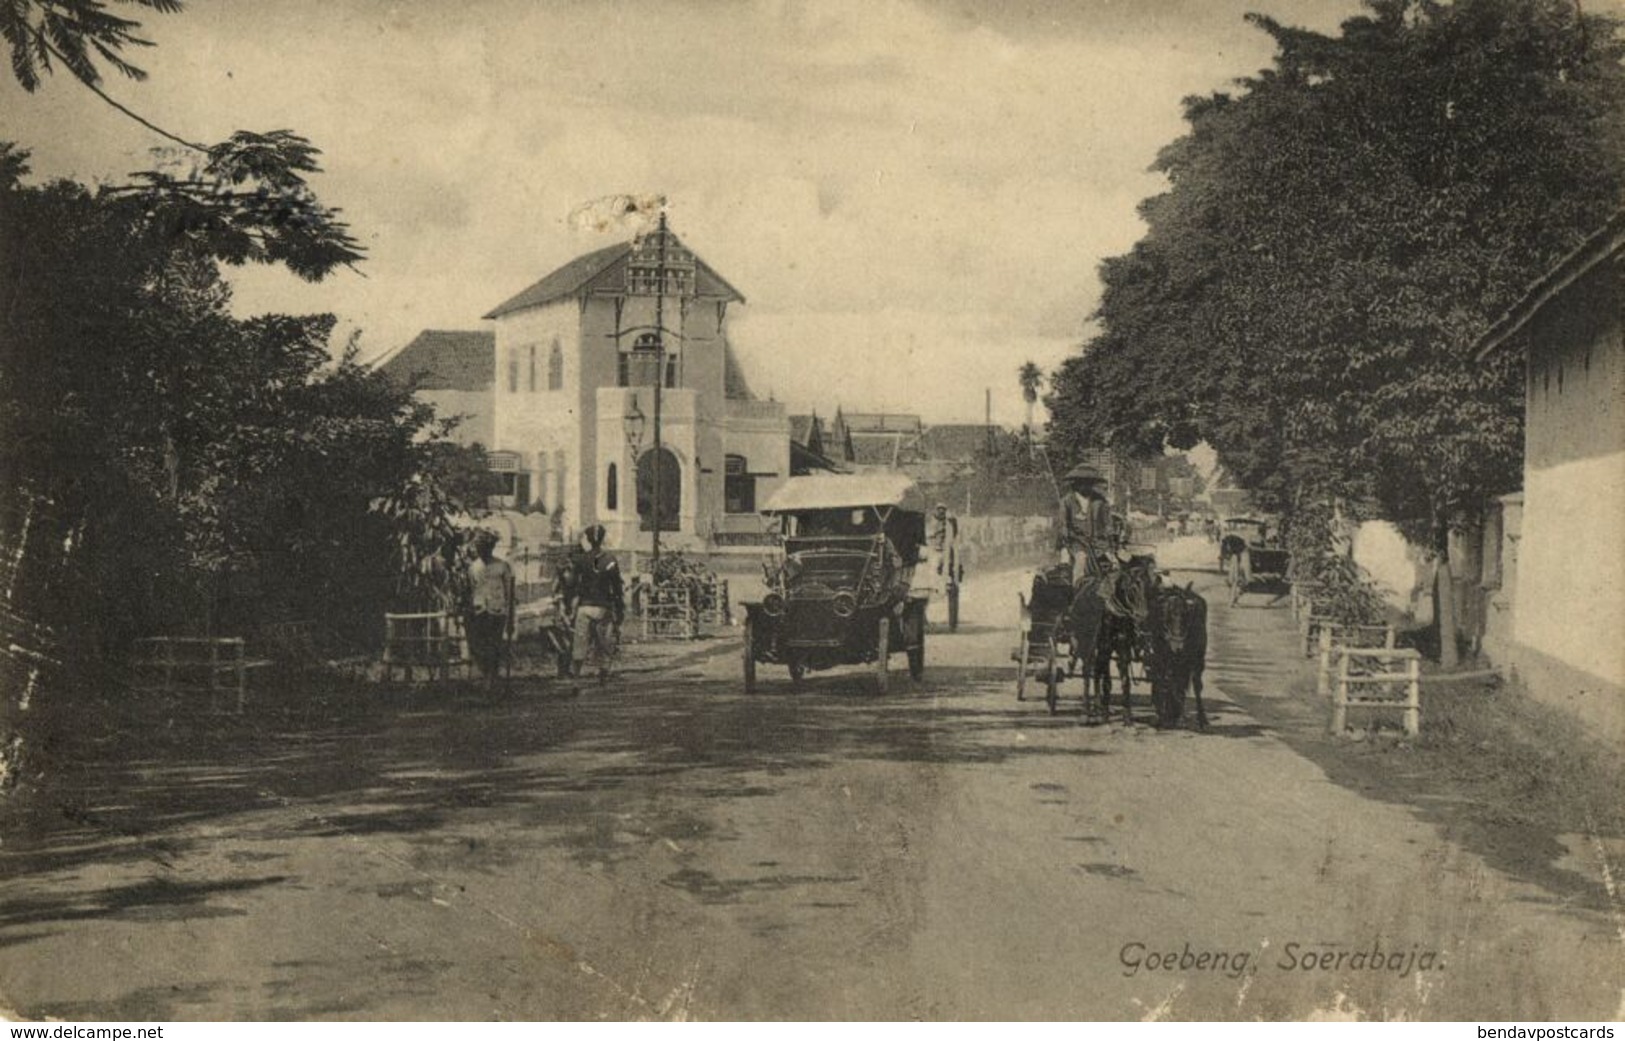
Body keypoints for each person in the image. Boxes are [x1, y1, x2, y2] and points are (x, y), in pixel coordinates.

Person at [559, 524, 626, 680]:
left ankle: (576, 678)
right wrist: (620, 607)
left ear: (588, 539)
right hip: (603, 607)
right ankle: (603, 672)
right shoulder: (610, 560)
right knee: (604, 641)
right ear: (602, 539)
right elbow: (617, 586)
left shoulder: (580, 560)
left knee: (580, 643)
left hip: (584, 606)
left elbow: (572, 584)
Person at [465, 529, 515, 687]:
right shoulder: (473, 567)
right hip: (479, 611)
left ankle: (492, 678)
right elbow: (472, 589)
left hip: (496, 611)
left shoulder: (501, 566)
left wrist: (511, 616)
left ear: (491, 547)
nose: (481, 551)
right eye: (479, 548)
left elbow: (509, 593)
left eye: (485, 547)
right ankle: (486, 674)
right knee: (479, 645)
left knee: (494, 644)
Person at [1056, 464, 1115, 585]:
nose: (1086, 486)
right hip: (1077, 543)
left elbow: (1107, 521)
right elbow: (1063, 524)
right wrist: (1067, 535)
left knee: (1115, 563)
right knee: (1081, 561)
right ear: (1076, 484)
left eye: (1089, 483)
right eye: (1083, 483)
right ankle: (1077, 590)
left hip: (1099, 543)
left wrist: (1110, 535)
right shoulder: (1067, 501)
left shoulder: (1100, 501)